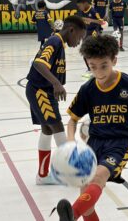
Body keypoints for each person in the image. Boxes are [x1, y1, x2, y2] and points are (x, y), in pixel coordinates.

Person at [52, 35, 128, 221]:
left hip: (119, 144)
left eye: (104, 65)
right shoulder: (88, 89)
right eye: (93, 67)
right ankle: (78, 212)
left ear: (114, 60)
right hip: (94, 144)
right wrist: (71, 145)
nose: (99, 72)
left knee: (98, 178)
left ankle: (72, 215)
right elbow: (72, 120)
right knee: (87, 200)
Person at [26, 15, 86, 185]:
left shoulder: (59, 43)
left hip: (41, 91)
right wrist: (56, 83)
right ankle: (73, 174)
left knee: (47, 130)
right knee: (58, 128)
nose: (79, 42)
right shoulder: (55, 41)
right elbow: (39, 63)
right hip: (40, 91)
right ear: (71, 30)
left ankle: (43, 176)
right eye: (79, 37)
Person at [76, 0, 104, 79]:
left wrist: (89, 19)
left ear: (85, 3)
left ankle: (95, 70)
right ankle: (90, 69)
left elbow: (101, 22)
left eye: (80, 6)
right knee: (84, 52)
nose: (79, 8)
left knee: (92, 52)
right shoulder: (81, 11)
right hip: (85, 33)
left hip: (93, 33)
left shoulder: (93, 11)